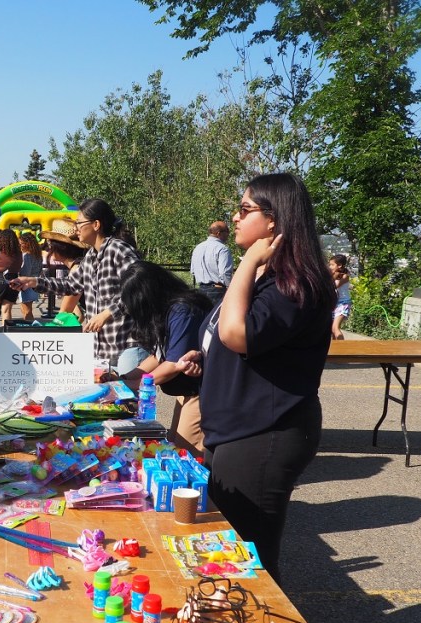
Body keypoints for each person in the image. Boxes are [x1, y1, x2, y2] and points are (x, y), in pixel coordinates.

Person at [183, 172, 336, 584]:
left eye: (245, 209)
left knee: (251, 557)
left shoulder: (296, 283)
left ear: (274, 220)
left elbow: (238, 333)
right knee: (230, 549)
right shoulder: (267, 276)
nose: (234, 217)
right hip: (235, 428)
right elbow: (225, 335)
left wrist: (248, 262)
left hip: (264, 433)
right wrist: (202, 355)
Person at [10, 199, 143, 372]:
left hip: (127, 347)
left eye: (79, 223)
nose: (76, 228)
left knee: (130, 399)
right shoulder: (90, 257)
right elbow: (70, 285)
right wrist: (34, 282)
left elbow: (140, 290)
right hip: (103, 351)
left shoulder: (119, 250)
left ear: (96, 225)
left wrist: (107, 313)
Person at [115, 261, 212, 453]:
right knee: (172, 444)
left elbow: (172, 364)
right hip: (187, 390)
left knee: (186, 453)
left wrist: (127, 386)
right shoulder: (167, 311)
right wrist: (124, 379)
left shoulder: (183, 311)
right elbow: (158, 355)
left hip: (201, 391)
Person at [39, 219, 89, 318]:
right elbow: (79, 315)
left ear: (60, 247)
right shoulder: (79, 265)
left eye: (50, 244)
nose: (48, 249)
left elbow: (64, 312)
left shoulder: (76, 269)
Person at [0, 229, 22, 325]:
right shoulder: (18, 253)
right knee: (6, 310)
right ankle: (6, 334)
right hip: (14, 280)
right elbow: (19, 266)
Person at [17, 232, 43, 321]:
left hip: (26, 285)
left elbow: (25, 273)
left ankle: (30, 330)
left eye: (20, 243)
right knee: (27, 310)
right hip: (34, 284)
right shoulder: (38, 255)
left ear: (27, 244)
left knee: (26, 312)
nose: (19, 245)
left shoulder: (27, 256)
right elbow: (40, 270)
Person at [329, 254, 351, 340]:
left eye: (332, 265)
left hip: (343, 303)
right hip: (335, 303)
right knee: (332, 329)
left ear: (339, 265)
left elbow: (335, 285)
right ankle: (336, 349)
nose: (330, 266)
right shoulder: (332, 275)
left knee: (335, 327)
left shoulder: (345, 276)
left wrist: (334, 276)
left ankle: (342, 348)